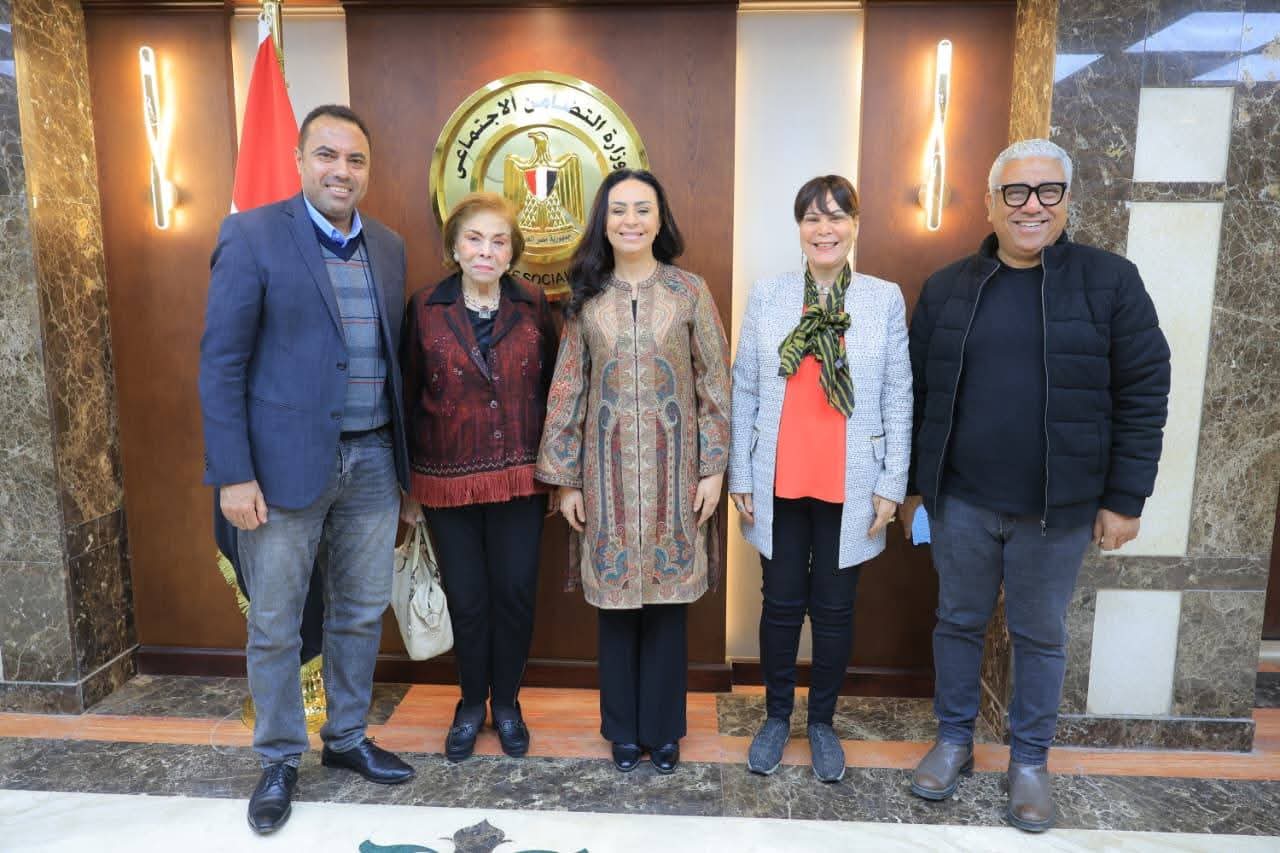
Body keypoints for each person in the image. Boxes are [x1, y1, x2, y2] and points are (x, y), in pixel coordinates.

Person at [903, 139, 1170, 832]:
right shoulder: (947, 287)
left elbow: (1144, 391)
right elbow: (919, 395)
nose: (1032, 206)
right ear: (990, 204)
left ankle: (1028, 762)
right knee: (957, 622)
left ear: (1067, 200)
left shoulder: (1111, 282)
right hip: (961, 501)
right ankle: (954, 741)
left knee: (1040, 635)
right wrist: (914, 489)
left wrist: (1125, 499)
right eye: (1016, 192)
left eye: (1048, 191)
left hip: (1059, 509)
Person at [199, 104, 416, 836]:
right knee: (276, 621)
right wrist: (233, 474)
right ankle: (279, 757)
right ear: (299, 160)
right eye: (327, 155)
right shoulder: (253, 235)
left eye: (354, 159)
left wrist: (407, 475)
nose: (340, 171)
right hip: (279, 469)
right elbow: (222, 363)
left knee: (360, 609)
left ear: (367, 170)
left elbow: (393, 362)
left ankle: (347, 736)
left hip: (374, 460)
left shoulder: (388, 246)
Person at [535, 169, 731, 775]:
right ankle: (622, 730)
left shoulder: (689, 291)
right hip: (607, 477)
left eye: (642, 209)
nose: (630, 220)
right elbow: (568, 387)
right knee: (616, 606)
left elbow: (715, 383)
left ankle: (664, 731)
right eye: (618, 210)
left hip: (676, 476)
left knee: (669, 608)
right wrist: (566, 478)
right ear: (603, 221)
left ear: (659, 218)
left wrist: (713, 469)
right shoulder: (587, 298)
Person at [727, 175, 912, 783]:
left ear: (855, 225)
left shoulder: (882, 299)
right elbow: (745, 387)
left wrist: (891, 483)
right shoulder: (769, 295)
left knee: (834, 611)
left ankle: (824, 723)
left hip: (851, 482)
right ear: (799, 228)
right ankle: (777, 717)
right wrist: (739, 471)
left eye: (836, 217)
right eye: (812, 217)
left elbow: (898, 395)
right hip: (778, 477)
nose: (824, 229)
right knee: (780, 606)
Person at [399, 192, 558, 762]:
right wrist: (407, 487)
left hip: (521, 479)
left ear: (512, 251)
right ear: (455, 246)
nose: (486, 251)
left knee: (514, 595)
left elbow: (555, 392)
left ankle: (508, 704)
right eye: (474, 239)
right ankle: (470, 705)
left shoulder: (534, 305)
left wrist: (561, 475)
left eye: (498, 240)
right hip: (446, 481)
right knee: (466, 599)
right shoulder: (424, 307)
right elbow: (407, 394)